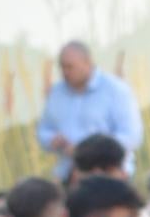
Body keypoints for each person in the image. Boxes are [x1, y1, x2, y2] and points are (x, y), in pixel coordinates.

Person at [35, 41, 143, 175]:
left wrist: (86, 151)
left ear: (87, 63)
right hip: (68, 174)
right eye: (62, 67)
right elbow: (44, 130)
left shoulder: (116, 90)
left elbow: (131, 136)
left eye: (70, 67)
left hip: (109, 175)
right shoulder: (56, 93)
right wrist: (52, 140)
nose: (65, 72)